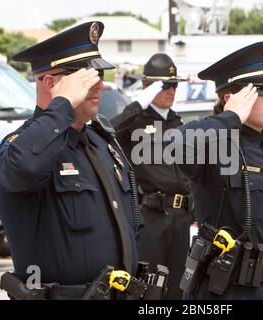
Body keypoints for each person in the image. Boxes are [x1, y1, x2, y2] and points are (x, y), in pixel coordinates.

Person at [0, 22, 144, 300]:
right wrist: (62, 104)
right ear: (50, 83)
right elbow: (24, 167)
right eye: (84, 77)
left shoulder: (100, 141)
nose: (98, 84)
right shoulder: (20, 147)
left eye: (98, 74)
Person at [175, 41, 263, 299]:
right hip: (228, 291)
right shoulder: (216, 148)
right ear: (231, 98)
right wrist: (230, 117)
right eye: (261, 90)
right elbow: (173, 145)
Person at [111, 53, 193, 299]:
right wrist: (138, 105)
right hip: (151, 216)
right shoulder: (135, 121)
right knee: (149, 289)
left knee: (177, 288)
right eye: (165, 85)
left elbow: (188, 171)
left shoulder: (177, 122)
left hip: (181, 217)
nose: (172, 90)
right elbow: (107, 131)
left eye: (174, 84)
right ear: (148, 86)